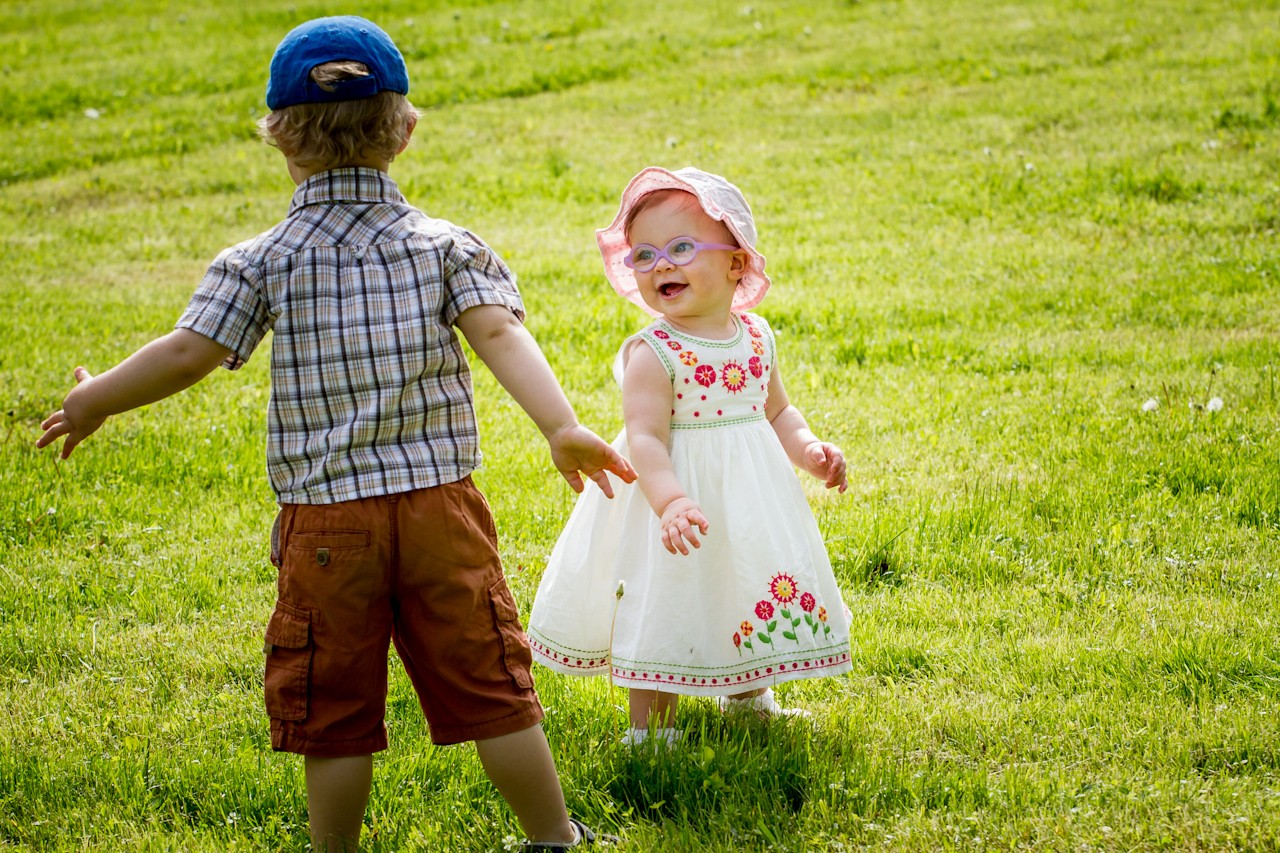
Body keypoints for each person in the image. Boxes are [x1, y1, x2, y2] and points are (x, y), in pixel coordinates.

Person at [36, 16, 628, 852]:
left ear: (277, 135)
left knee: (337, 710)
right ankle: (552, 837)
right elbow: (499, 334)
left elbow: (187, 353)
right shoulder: (446, 247)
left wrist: (99, 398)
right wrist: (560, 425)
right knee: (492, 683)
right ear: (406, 130)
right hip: (440, 512)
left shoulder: (261, 259)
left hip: (326, 525)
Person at [526, 167, 853, 746]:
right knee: (667, 599)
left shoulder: (757, 337)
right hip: (671, 499)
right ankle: (651, 730)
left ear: (736, 262)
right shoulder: (654, 352)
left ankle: (750, 693)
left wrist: (810, 451)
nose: (661, 265)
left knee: (744, 580)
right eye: (644, 255)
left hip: (746, 498)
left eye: (681, 248)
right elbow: (645, 437)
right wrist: (671, 502)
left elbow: (777, 412)